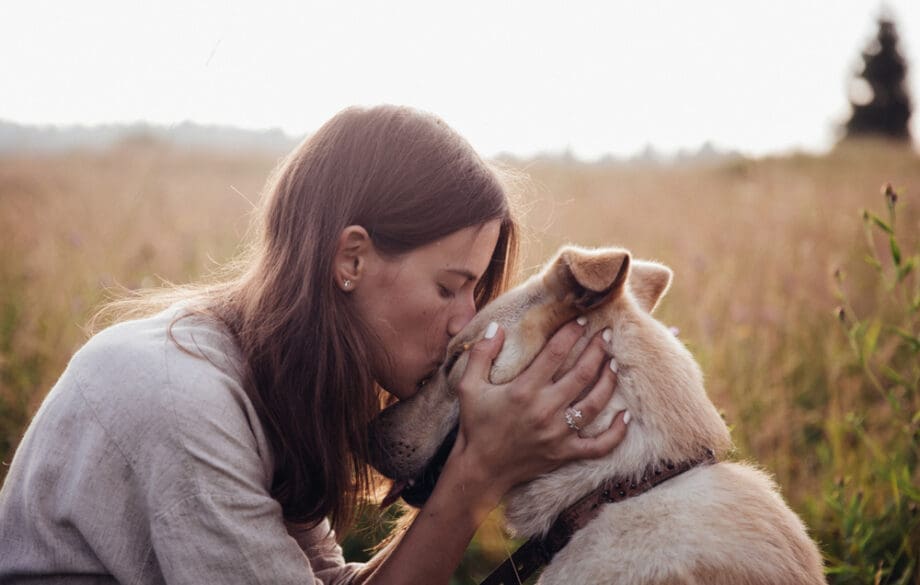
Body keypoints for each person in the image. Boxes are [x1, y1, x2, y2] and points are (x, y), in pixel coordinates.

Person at [0, 105, 627, 584]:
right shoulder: (181, 399)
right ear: (350, 258)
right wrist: (476, 475)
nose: (465, 324)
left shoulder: (271, 386)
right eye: (448, 288)